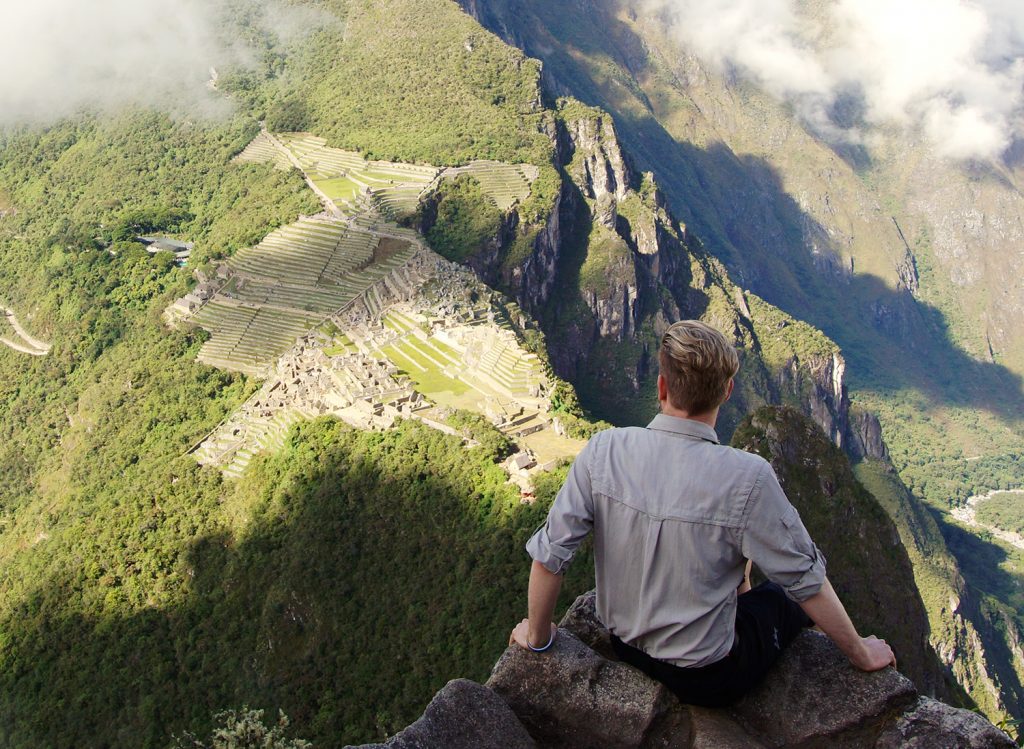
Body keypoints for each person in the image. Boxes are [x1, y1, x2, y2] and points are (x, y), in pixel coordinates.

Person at [508, 320, 895, 706]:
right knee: (784, 596)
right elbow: (806, 580)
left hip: (624, 647)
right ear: (727, 392)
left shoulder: (603, 450)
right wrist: (861, 653)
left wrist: (538, 639)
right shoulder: (748, 477)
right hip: (708, 678)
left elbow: (551, 556)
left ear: (661, 386)